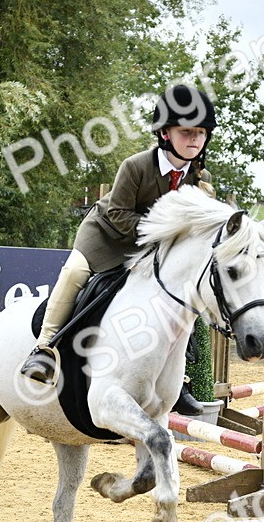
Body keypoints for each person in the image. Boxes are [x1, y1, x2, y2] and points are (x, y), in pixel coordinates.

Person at [19, 84, 217, 415]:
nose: (195, 139)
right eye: (187, 132)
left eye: (201, 133)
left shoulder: (200, 177)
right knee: (73, 274)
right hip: (107, 238)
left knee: (183, 295)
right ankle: (44, 350)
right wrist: (162, 235)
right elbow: (117, 214)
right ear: (166, 133)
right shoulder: (135, 166)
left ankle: (178, 380)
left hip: (154, 253)